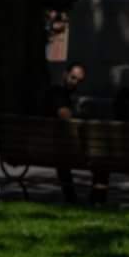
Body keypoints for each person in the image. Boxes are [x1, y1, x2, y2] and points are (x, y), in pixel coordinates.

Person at [42, 63, 88, 203]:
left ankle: (71, 197)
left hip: (45, 146)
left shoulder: (55, 92)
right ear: (64, 75)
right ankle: (96, 199)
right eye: (73, 78)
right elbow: (65, 116)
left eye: (79, 81)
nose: (75, 83)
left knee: (63, 153)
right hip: (53, 148)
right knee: (99, 162)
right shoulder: (59, 93)